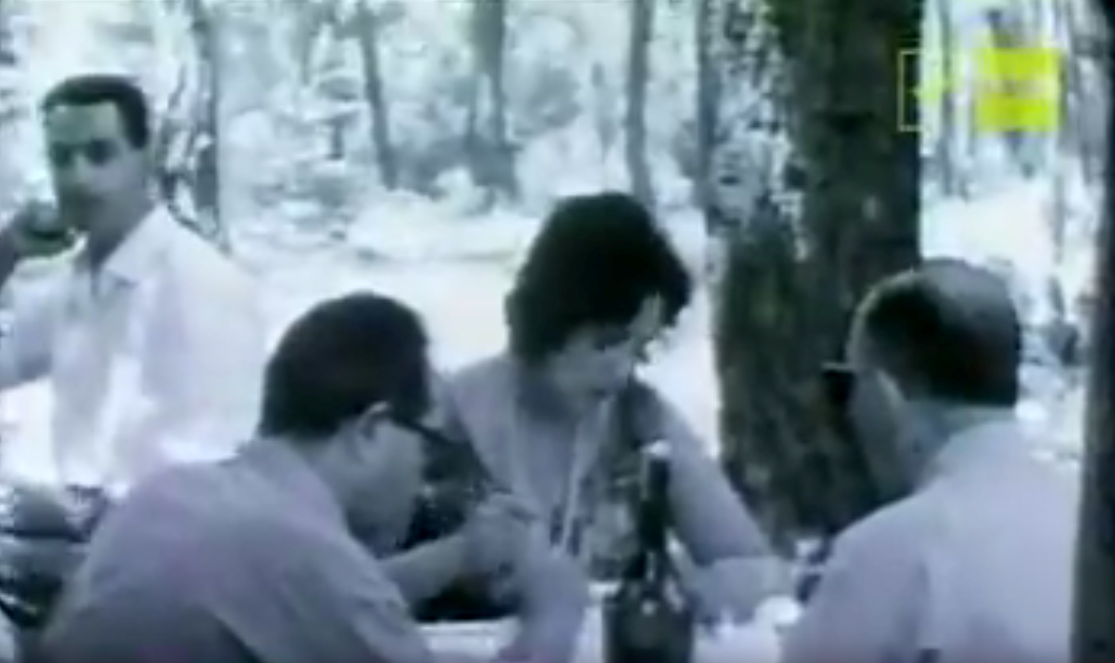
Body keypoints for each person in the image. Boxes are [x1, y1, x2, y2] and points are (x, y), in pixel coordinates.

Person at [36, 292, 540, 663]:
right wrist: (558, 607)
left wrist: (459, 555)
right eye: (427, 448)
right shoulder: (309, 556)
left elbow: (299, 602)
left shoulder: (167, 493)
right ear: (371, 429)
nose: (421, 480)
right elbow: (327, 592)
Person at [415, 192, 783, 629]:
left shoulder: (642, 421)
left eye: (641, 350)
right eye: (606, 342)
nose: (620, 371)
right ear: (548, 319)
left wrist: (684, 589)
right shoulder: (445, 423)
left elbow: (757, 567)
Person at [784, 258, 1079, 663]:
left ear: (888, 392)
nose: (847, 411)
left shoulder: (888, 554)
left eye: (845, 385)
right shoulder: (1086, 525)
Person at [0, 73, 265, 493]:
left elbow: (216, 471)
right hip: (82, 533)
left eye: (100, 154)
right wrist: (4, 254)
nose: (78, 178)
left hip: (169, 542)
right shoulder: (75, 283)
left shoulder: (202, 283)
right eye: (62, 158)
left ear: (145, 157)